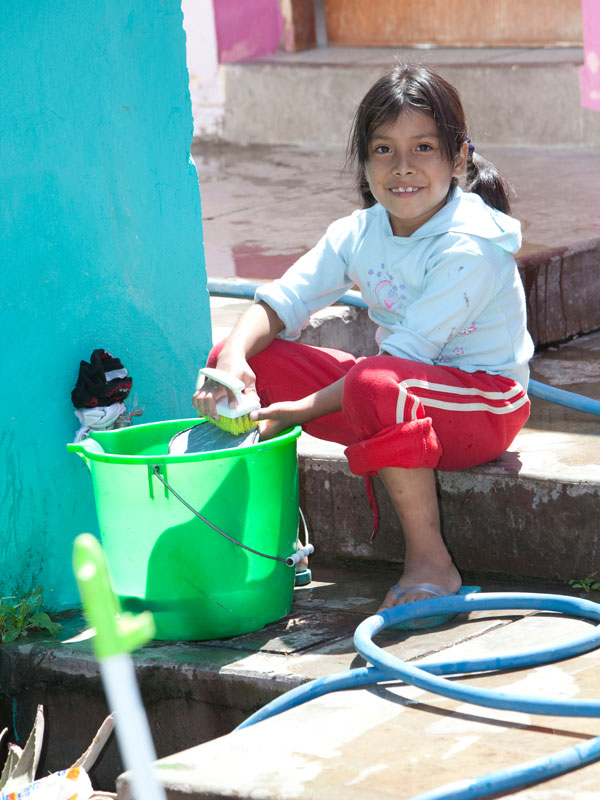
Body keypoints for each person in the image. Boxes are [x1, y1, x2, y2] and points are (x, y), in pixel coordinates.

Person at [193, 63, 534, 613]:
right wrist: (231, 361)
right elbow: (282, 300)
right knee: (244, 359)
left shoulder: (471, 246)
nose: (403, 168)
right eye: (383, 149)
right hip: (399, 393)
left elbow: (399, 361)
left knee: (375, 382)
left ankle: (432, 564)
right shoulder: (358, 231)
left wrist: (298, 410)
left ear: (459, 157)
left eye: (423, 147)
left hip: (484, 406)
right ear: (365, 157)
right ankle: (256, 546)